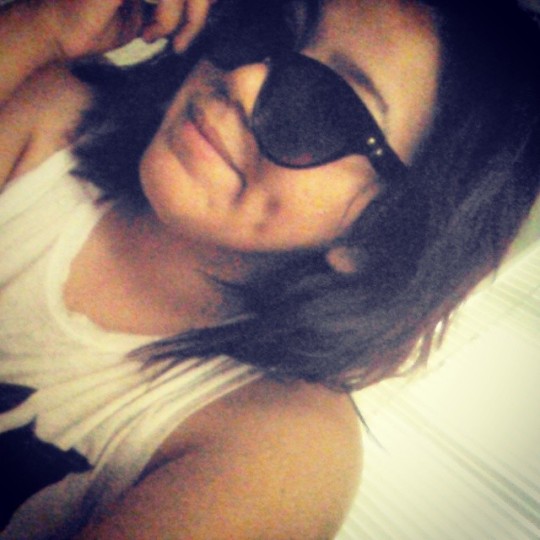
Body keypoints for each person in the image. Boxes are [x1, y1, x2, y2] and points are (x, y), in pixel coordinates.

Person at [0, 0, 539, 538]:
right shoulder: (54, 114)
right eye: (265, 27)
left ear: (379, 237)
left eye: (324, 108)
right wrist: (43, 26)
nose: (244, 80)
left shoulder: (282, 450)